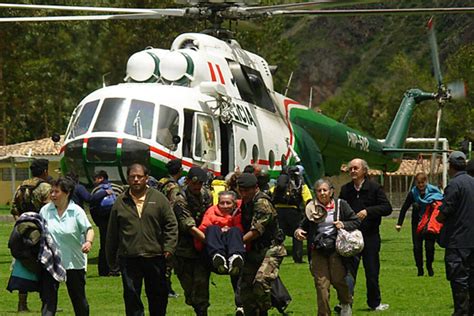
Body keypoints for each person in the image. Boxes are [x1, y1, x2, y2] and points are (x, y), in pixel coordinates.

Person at [106, 163, 178, 316]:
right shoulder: (120, 202)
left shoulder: (159, 199)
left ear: (146, 178)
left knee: (158, 297)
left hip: (155, 256)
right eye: (133, 177)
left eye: (140, 176)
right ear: (128, 178)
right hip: (129, 258)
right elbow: (112, 232)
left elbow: (171, 225)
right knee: (132, 298)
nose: (136, 180)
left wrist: (169, 248)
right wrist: (111, 259)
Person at [295, 179, 359, 316]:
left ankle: (346, 302)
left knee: (338, 279)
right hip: (318, 250)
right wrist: (299, 231)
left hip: (336, 248)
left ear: (331, 191)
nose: (322, 193)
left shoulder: (341, 205)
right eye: (319, 191)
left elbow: (355, 221)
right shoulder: (311, 208)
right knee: (321, 285)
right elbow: (302, 225)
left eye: (325, 190)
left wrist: (343, 224)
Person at [339, 158, 392, 311]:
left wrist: (368, 211)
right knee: (348, 272)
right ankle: (345, 302)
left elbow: (386, 208)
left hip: (370, 236)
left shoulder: (374, 188)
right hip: (351, 236)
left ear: (364, 171)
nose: (353, 171)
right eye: (351, 169)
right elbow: (340, 209)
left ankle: (374, 303)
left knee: (372, 272)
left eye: (356, 168)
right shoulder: (346, 189)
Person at [39, 177, 95, 316]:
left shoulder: (76, 211)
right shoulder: (45, 210)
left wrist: (88, 242)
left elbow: (89, 229)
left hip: (73, 262)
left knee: (78, 300)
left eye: (56, 192)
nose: (52, 195)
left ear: (67, 192)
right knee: (48, 301)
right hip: (51, 262)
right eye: (51, 191)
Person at [238, 173, 286, 316]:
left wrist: (236, 243)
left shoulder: (262, 203)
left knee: (261, 281)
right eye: (241, 190)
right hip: (254, 250)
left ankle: (265, 309)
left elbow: (257, 231)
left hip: (272, 248)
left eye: (247, 190)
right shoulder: (246, 202)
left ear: (256, 188)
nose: (244, 193)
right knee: (246, 287)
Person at [10, 158, 52, 312]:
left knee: (22, 266)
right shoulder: (46, 188)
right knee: (45, 266)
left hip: (22, 231)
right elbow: (48, 211)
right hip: (40, 231)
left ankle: (22, 304)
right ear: (45, 171)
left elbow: (14, 210)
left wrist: (22, 226)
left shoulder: (21, 186)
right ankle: (46, 304)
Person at [436, 151, 474, 315]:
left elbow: (445, 212)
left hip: (457, 241)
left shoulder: (454, 184)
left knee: (459, 282)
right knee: (472, 281)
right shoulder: (472, 182)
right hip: (472, 240)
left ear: (450, 166)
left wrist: (438, 216)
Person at [173, 167, 213, 316]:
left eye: (201, 183)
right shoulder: (179, 199)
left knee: (202, 285)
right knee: (190, 290)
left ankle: (202, 311)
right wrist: (210, 241)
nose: (197, 186)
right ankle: (197, 306)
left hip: (201, 249)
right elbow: (188, 226)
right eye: (195, 183)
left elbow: (211, 216)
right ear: (188, 181)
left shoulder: (206, 195)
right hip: (184, 250)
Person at [396, 172, 443, 276]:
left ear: (426, 182)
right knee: (417, 247)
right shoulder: (413, 193)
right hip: (416, 223)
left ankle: (429, 266)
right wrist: (399, 223)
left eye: (422, 183)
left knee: (429, 247)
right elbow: (404, 208)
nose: (421, 185)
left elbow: (441, 205)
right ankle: (420, 269)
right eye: (418, 183)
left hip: (430, 222)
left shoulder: (434, 191)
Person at [196, 191, 245, 275]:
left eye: (228, 203)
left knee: (235, 230)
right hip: (214, 245)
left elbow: (242, 228)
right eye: (222, 203)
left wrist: (229, 230)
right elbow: (202, 229)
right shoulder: (211, 212)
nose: (225, 206)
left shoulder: (240, 212)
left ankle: (235, 258)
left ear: (234, 204)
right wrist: (220, 231)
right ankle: (218, 257)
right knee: (212, 228)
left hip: (234, 243)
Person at [271, 166, 312, 263]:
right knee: (297, 234)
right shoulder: (300, 183)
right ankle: (298, 258)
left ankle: (275, 255)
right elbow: (307, 197)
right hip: (293, 211)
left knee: (278, 234)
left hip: (278, 210)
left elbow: (271, 192)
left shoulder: (279, 182)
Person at [90, 170, 123, 276]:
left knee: (104, 245)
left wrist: (97, 222)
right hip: (117, 218)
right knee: (118, 243)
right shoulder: (118, 188)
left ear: (100, 178)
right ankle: (116, 268)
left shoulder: (96, 190)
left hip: (103, 220)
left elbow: (92, 207)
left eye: (95, 179)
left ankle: (103, 270)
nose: (94, 181)